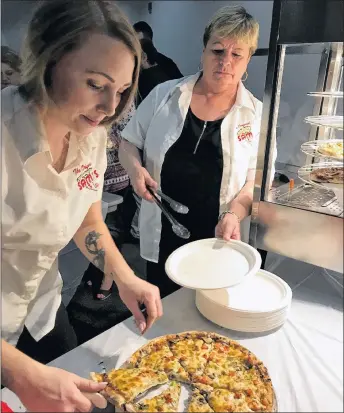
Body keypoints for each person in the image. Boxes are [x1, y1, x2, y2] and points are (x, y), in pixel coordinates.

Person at [1, 1, 162, 412]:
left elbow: (87, 216)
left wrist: (124, 277)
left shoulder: (89, 133)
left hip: (42, 311)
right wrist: (20, 374)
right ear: (49, 61)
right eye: (96, 84)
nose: (111, 107)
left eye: (122, 91)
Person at [120, 6, 276, 298]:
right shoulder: (164, 96)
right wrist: (135, 170)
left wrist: (235, 212)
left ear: (247, 61)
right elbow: (128, 143)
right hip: (164, 230)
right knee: (163, 304)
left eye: (236, 55)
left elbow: (256, 180)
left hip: (219, 234)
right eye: (217, 51)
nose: (225, 62)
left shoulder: (256, 116)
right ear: (204, 51)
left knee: (211, 310)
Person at [83, 101, 136, 300]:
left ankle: (108, 278)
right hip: (85, 176)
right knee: (91, 229)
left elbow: (130, 135)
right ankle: (92, 271)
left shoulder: (122, 99)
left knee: (111, 231)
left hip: (115, 175)